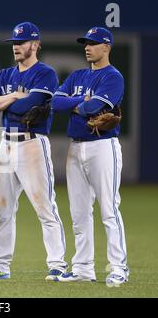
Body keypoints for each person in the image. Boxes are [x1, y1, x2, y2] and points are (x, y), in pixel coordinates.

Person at [0, 22, 68, 281]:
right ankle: (0, 266)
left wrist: (11, 101)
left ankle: (58, 264)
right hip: (5, 145)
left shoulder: (45, 73)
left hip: (32, 143)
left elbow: (31, 105)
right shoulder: (5, 74)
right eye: (14, 42)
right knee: (2, 210)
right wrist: (15, 96)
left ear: (35, 44)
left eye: (22, 42)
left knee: (45, 207)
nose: (16, 46)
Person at [51, 27, 129, 287]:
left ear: (106, 47)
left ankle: (119, 268)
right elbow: (55, 102)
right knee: (79, 212)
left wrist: (77, 103)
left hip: (102, 147)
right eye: (86, 43)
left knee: (108, 209)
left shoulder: (113, 76)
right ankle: (83, 268)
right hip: (76, 147)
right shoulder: (77, 75)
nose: (87, 47)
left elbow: (93, 107)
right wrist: (79, 101)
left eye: (93, 43)